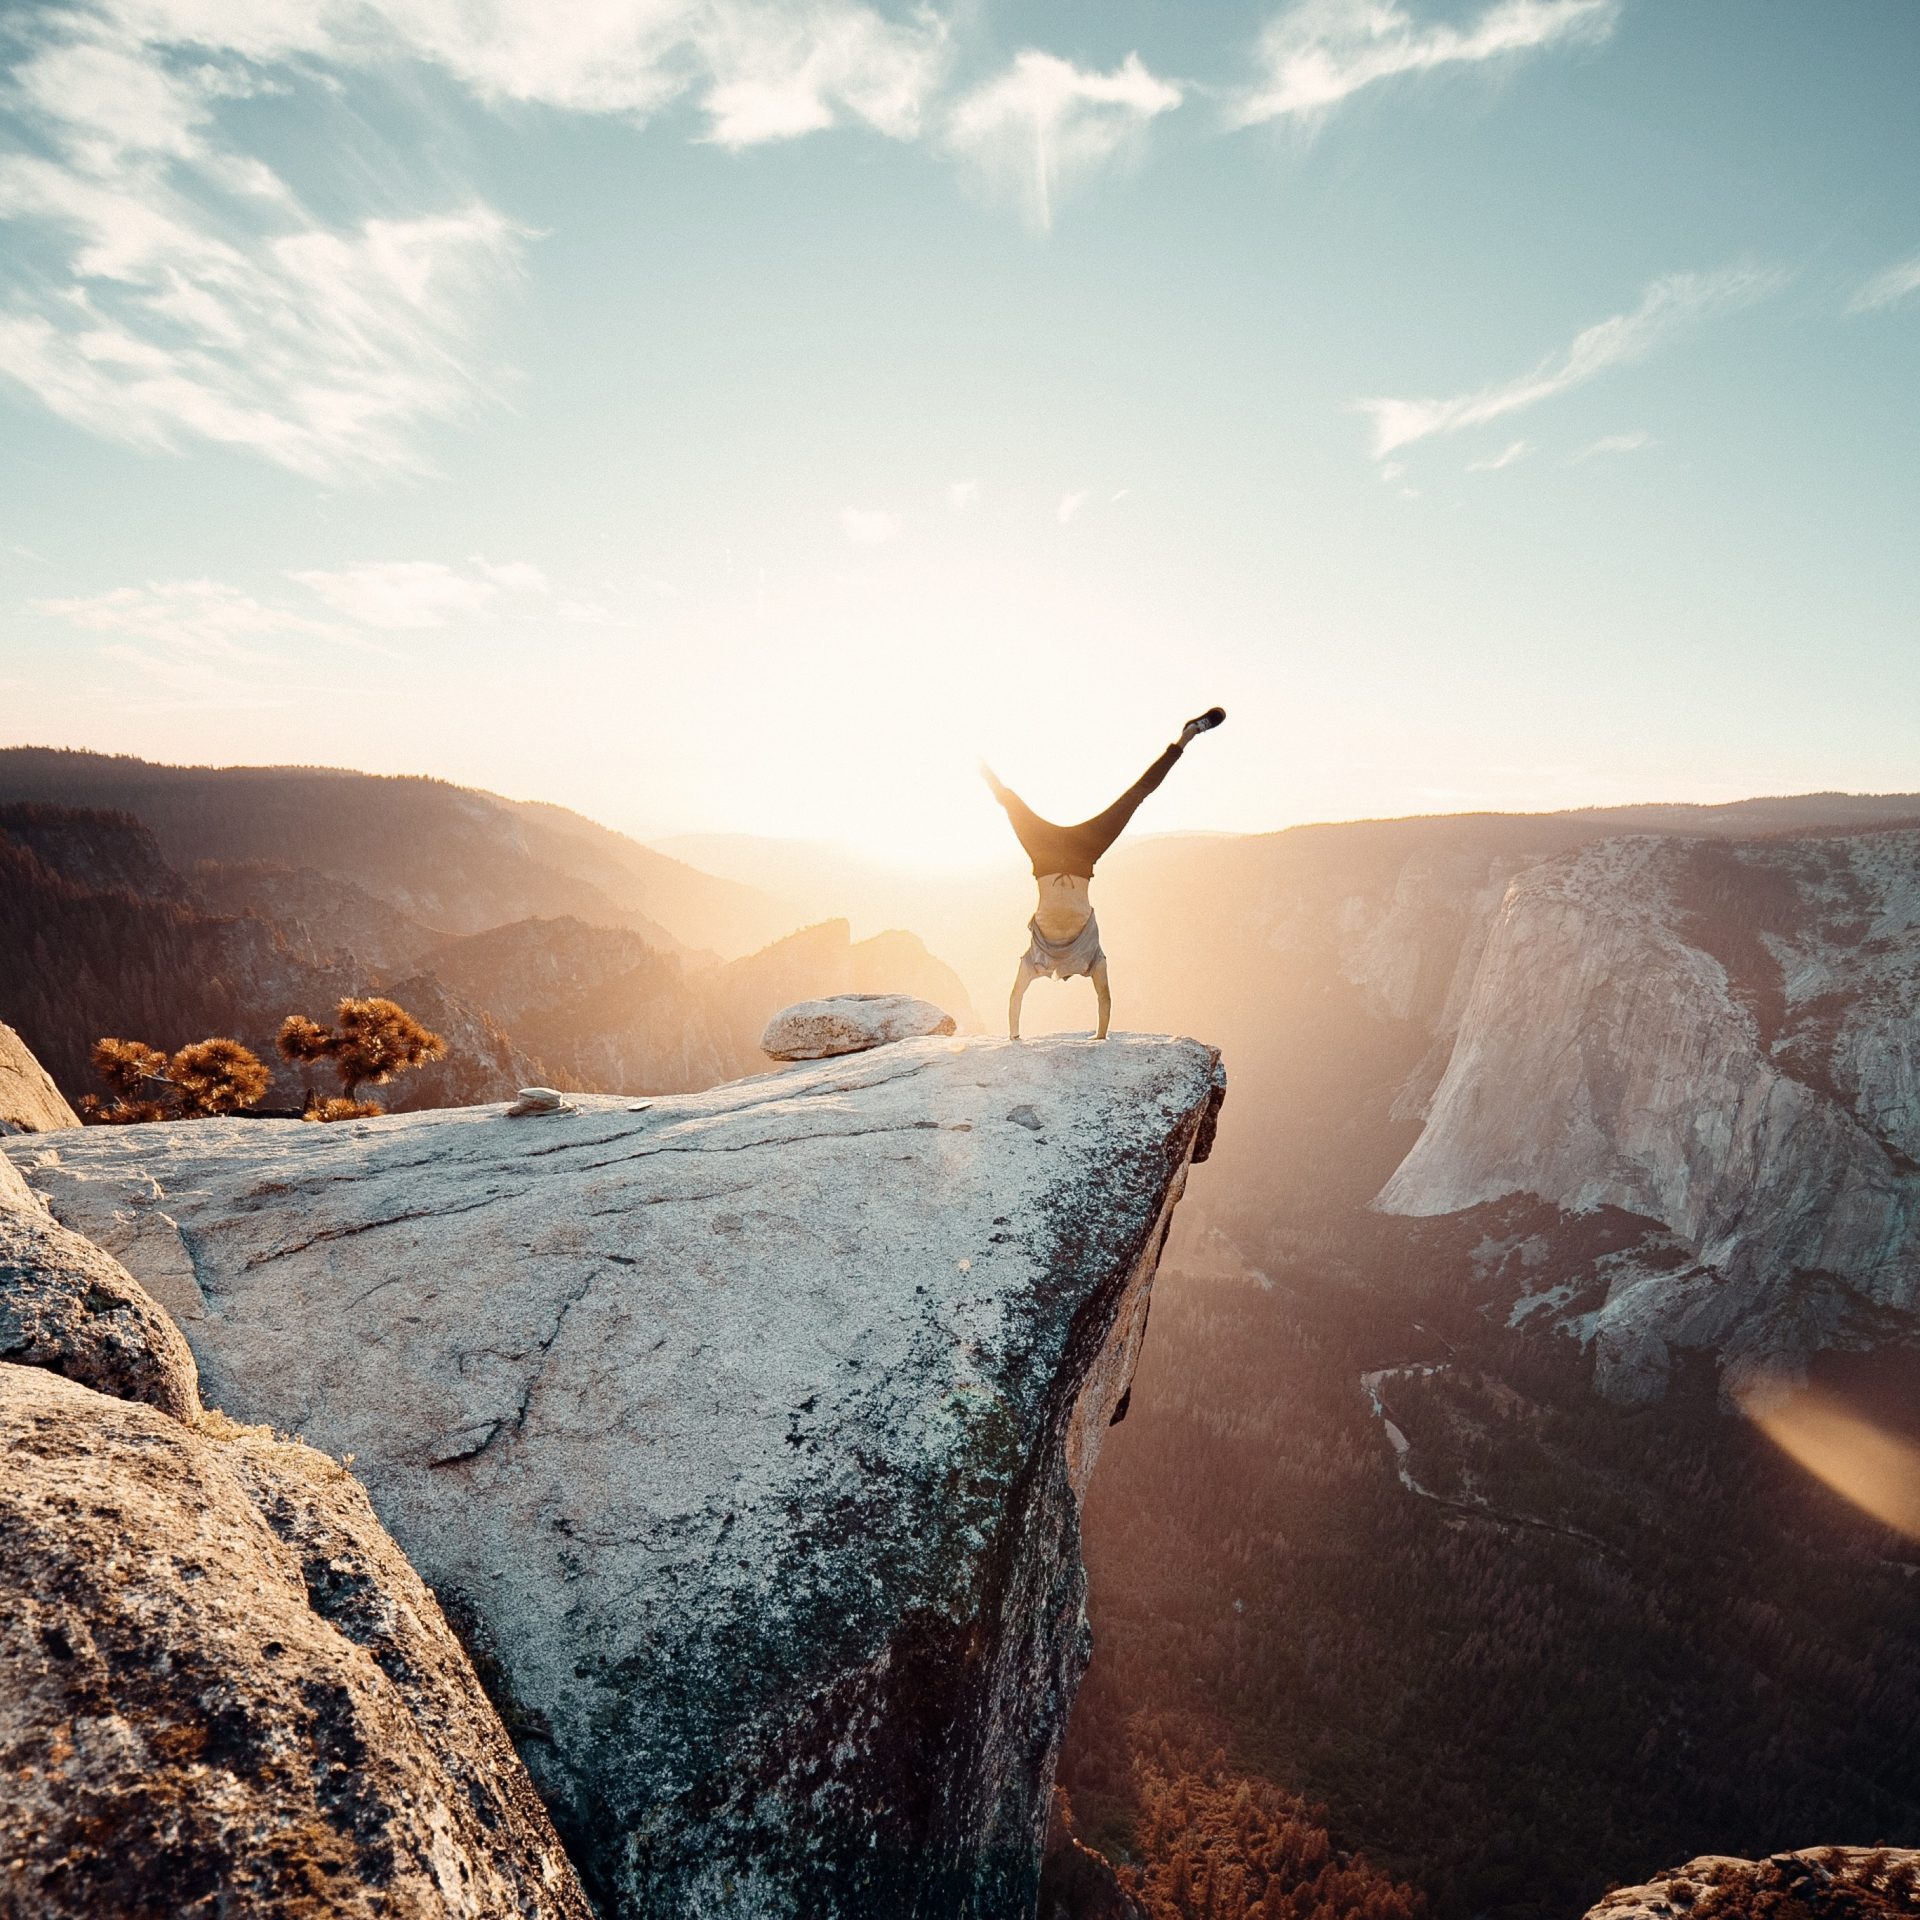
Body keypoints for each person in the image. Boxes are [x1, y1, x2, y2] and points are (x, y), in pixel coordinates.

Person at [982, 708, 1225, 1040]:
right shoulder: (1090, 958)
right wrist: (1100, 1037)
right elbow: (1104, 998)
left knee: (1008, 800)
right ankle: (1186, 737)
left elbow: (1016, 997)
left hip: (1046, 855)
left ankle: (974, 758)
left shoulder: (1035, 959)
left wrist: (1014, 1038)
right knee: (1135, 796)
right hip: (1082, 853)